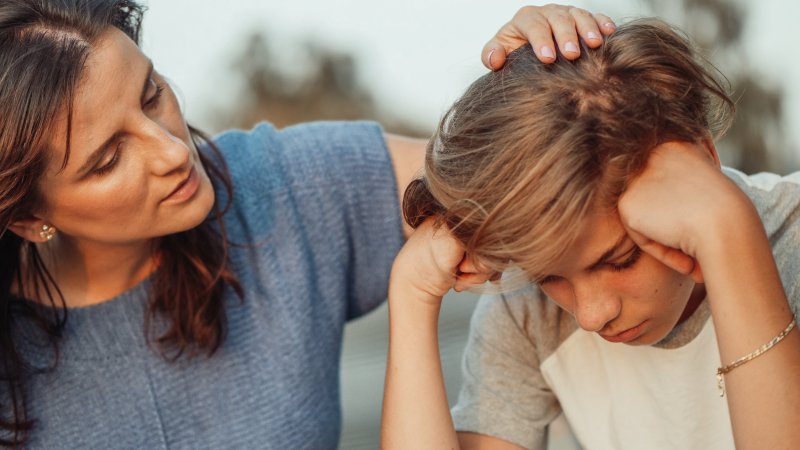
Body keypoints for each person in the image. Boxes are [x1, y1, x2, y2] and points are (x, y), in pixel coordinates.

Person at [0, 0, 617, 447]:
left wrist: (545, 83)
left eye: (152, 93)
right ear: (29, 219)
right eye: (109, 159)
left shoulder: (287, 186)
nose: (172, 152)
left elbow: (525, 174)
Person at [382, 18, 800, 450]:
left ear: (704, 161)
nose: (590, 315)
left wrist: (728, 233)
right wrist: (412, 293)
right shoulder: (528, 314)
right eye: (549, 277)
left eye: (619, 259)